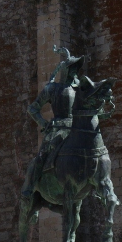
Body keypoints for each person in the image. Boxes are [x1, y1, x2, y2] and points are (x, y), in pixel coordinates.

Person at [20, 46, 85, 200]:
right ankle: (29, 187)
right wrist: (43, 124)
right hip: (57, 128)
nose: (75, 72)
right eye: (73, 68)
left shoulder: (80, 90)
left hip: (76, 129)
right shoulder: (53, 89)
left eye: (76, 68)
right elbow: (33, 108)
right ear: (66, 70)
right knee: (42, 155)